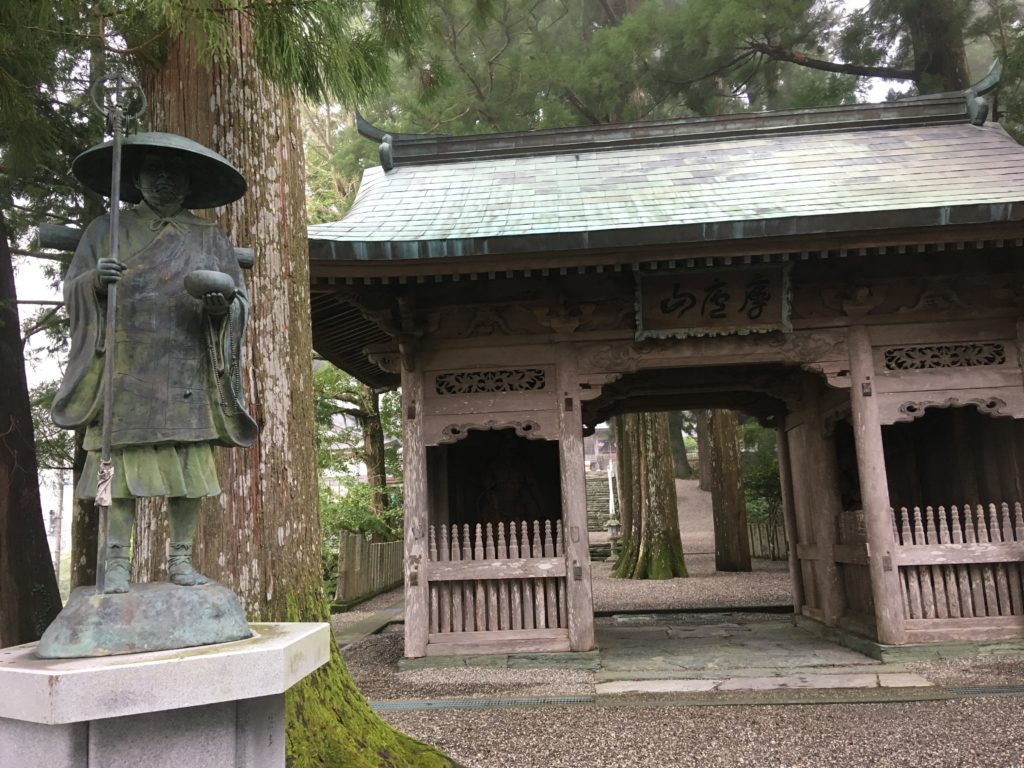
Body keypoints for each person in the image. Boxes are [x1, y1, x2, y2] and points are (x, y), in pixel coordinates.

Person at [52, 133, 258, 594]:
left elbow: (239, 300)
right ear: (136, 179)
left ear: (188, 185)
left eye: (174, 175)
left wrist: (222, 307)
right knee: (121, 469)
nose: (163, 181)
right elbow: (71, 291)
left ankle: (181, 560)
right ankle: (117, 561)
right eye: (152, 172)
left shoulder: (209, 237)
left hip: (187, 362)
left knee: (189, 470)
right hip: (128, 362)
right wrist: (94, 283)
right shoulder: (106, 230)